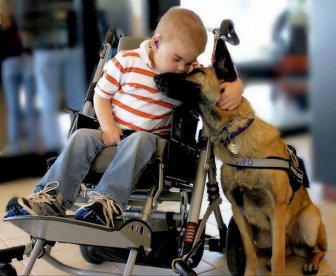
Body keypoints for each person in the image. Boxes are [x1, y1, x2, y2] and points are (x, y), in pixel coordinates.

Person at [5, 7, 244, 227]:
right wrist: (107, 126)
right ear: (157, 43)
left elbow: (220, 81)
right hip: (112, 132)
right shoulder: (126, 61)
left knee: (141, 138)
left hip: (150, 142)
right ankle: (50, 197)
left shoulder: (189, 75)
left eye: (189, 62)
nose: (183, 68)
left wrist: (236, 86)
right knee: (81, 136)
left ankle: (107, 202)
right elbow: (100, 96)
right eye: (177, 59)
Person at [0, 5, 38, 155]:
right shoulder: (24, 18)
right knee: (29, 105)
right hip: (27, 62)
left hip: (9, 65)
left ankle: (16, 146)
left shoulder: (4, 21)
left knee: (14, 108)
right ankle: (33, 144)